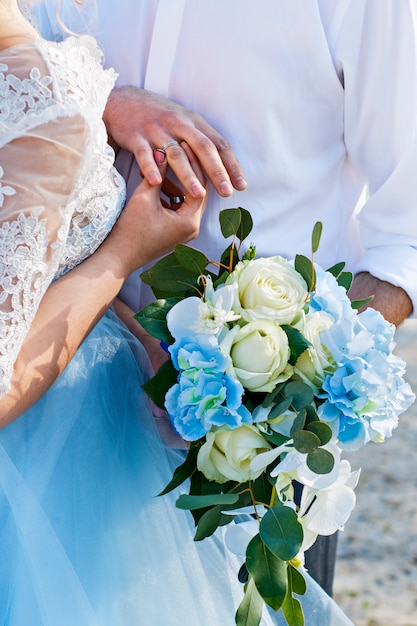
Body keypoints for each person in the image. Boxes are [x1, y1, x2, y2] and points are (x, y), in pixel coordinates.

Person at [33, 0, 417, 602]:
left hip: (249, 460)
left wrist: (283, 400)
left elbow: (406, 237)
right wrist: (98, 100)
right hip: (50, 411)